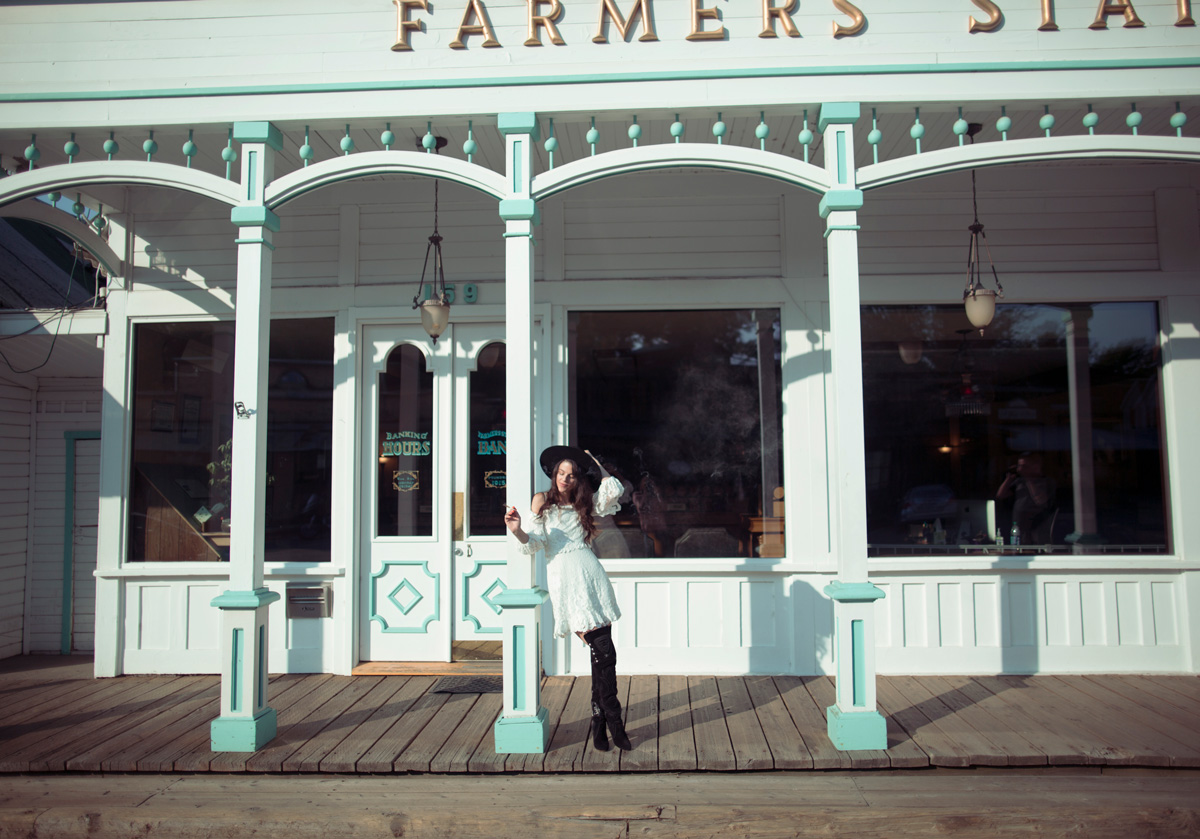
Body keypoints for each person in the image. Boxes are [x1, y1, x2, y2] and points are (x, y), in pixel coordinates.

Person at [504, 445, 633, 752]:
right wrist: (518, 530)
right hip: (566, 580)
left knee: (600, 657)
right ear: (553, 475)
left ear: (577, 479)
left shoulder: (583, 502)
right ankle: (615, 722)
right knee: (606, 653)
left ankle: (600, 722)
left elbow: (613, 489)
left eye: (571, 475)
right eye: (561, 473)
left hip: (591, 574)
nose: (565, 479)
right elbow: (534, 544)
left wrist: (595, 463)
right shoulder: (541, 501)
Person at [996, 452, 1057, 544]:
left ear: (1035, 467)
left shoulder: (1047, 482)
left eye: (1024, 466)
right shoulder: (1019, 482)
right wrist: (1008, 479)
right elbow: (1000, 495)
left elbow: (1040, 501)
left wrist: (1029, 480)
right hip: (1019, 527)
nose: (1020, 469)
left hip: (1038, 528)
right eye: (1019, 466)